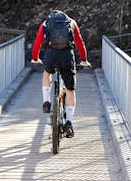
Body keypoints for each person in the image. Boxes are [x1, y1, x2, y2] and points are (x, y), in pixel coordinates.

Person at [31, 10, 91, 138]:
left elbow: (38, 41)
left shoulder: (46, 23)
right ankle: (68, 123)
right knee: (70, 90)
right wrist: (84, 60)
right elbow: (80, 42)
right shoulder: (71, 22)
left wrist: (35, 58)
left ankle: (46, 101)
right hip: (66, 56)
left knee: (47, 73)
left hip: (51, 55)